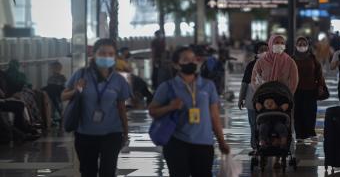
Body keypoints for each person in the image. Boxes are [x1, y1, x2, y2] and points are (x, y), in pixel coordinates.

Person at [148, 47, 230, 177]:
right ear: (176, 64)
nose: (191, 62)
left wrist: (221, 141)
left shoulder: (208, 86)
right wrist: (170, 107)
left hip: (204, 143)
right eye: (185, 60)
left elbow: (214, 116)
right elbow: (152, 111)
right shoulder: (167, 86)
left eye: (193, 59)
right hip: (176, 143)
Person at [61, 38, 131, 177]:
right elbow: (63, 96)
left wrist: (126, 131)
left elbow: (121, 107)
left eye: (110, 54)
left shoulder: (119, 80)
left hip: (112, 133)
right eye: (102, 53)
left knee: (108, 172)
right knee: (88, 172)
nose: (106, 57)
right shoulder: (81, 74)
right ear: (94, 54)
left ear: (115, 56)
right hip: (85, 133)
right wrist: (76, 90)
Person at [292, 37, 325, 142]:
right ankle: (299, 134)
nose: (302, 46)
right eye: (299, 43)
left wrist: (320, 86)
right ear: (296, 45)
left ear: (308, 45)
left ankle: (311, 132)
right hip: (296, 90)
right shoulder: (292, 59)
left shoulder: (312, 58)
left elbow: (319, 74)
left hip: (310, 89)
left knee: (310, 112)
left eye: (304, 43)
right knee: (298, 112)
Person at [238, 41, 268, 153]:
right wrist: (241, 99)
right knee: (253, 124)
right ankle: (255, 147)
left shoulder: (272, 64)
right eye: (261, 50)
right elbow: (245, 83)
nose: (265, 52)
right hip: (252, 100)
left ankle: (266, 145)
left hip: (268, 101)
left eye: (267, 49)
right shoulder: (251, 65)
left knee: (266, 123)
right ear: (256, 52)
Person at [43, 61, 67, 125]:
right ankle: (54, 119)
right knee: (53, 109)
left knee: (58, 108)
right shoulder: (50, 78)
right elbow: (48, 87)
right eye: (54, 68)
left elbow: (64, 87)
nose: (55, 69)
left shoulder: (62, 77)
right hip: (51, 98)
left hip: (59, 97)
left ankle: (60, 118)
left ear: (60, 68)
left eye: (56, 68)